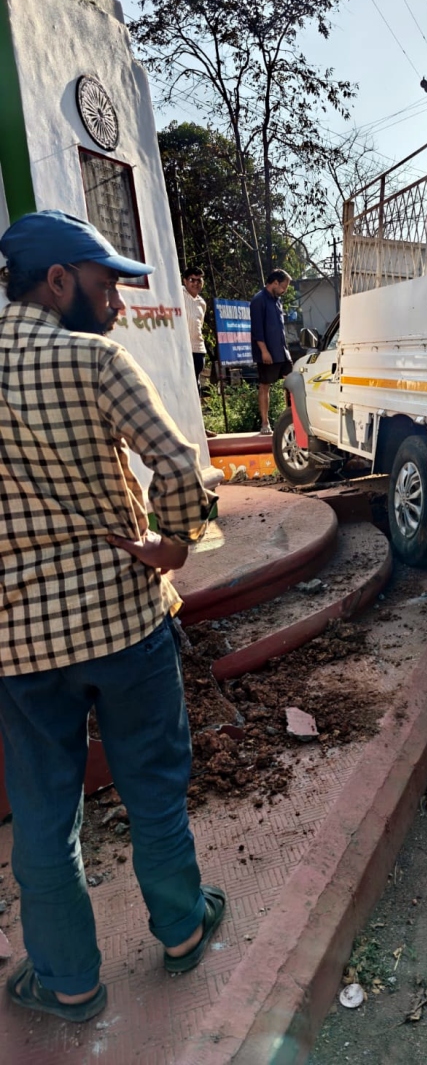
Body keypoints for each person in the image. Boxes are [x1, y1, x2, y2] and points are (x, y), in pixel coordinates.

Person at [0, 210, 224, 1023]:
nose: (119, 306)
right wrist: (175, 541)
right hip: (122, 622)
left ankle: (69, 981)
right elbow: (180, 469)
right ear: (58, 281)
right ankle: (179, 929)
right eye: (106, 287)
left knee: (43, 811)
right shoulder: (94, 360)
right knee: (153, 782)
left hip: (16, 643)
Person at [250, 269, 292, 435]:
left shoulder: (277, 301)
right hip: (267, 352)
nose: (284, 290)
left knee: (291, 384)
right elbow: (257, 329)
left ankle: (292, 419)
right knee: (265, 386)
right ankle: (265, 423)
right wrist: (264, 351)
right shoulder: (259, 300)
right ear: (275, 282)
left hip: (282, 351)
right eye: (284, 287)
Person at [182, 264, 208, 384]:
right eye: (192, 280)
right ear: (185, 281)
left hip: (198, 349)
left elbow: (199, 325)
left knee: (195, 383)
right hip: (182, 348)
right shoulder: (178, 295)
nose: (196, 283)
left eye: (199, 280)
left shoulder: (201, 303)